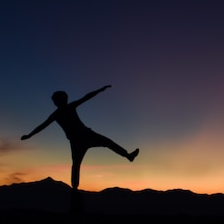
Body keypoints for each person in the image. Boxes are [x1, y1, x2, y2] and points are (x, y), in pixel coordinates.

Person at [21, 85, 139, 213]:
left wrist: (99, 90)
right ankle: (75, 189)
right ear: (59, 101)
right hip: (79, 140)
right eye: (61, 99)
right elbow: (42, 126)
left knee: (100, 147)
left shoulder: (64, 110)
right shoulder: (59, 113)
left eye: (62, 99)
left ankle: (128, 156)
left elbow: (86, 97)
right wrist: (30, 135)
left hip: (84, 136)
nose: (62, 101)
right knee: (78, 163)